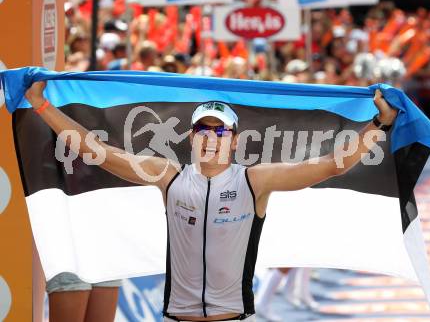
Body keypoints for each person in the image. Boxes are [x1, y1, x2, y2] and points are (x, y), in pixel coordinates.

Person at [25, 81, 397, 322]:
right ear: (191, 137)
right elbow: (99, 151)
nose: (211, 137)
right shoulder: (169, 175)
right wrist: (41, 106)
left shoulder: (254, 180)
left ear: (234, 140)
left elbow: (333, 165)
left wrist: (378, 126)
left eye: (220, 131)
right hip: (178, 317)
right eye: (203, 129)